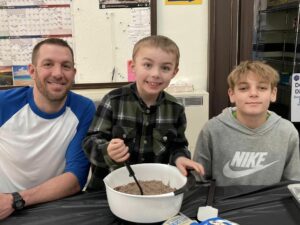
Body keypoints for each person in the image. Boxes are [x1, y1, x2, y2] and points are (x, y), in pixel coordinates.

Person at [83, 35, 205, 191]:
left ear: (174, 72)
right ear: (133, 66)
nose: (155, 74)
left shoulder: (176, 108)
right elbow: (90, 143)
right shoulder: (113, 100)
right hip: (107, 192)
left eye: (165, 68)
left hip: (153, 190)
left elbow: (178, 146)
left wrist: (180, 158)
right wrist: (107, 151)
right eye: (147, 65)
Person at [0, 38, 95, 220]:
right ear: (32, 71)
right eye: (48, 64)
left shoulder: (84, 109)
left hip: (54, 209)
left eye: (66, 66)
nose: (58, 73)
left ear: (74, 73)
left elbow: (75, 178)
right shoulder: (4, 103)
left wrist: (17, 199)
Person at [193, 60, 300, 186]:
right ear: (232, 94)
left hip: (270, 204)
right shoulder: (212, 130)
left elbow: (293, 183)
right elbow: (198, 181)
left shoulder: (287, 132)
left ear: (273, 93)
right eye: (244, 88)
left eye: (262, 88)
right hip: (224, 204)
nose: (253, 94)